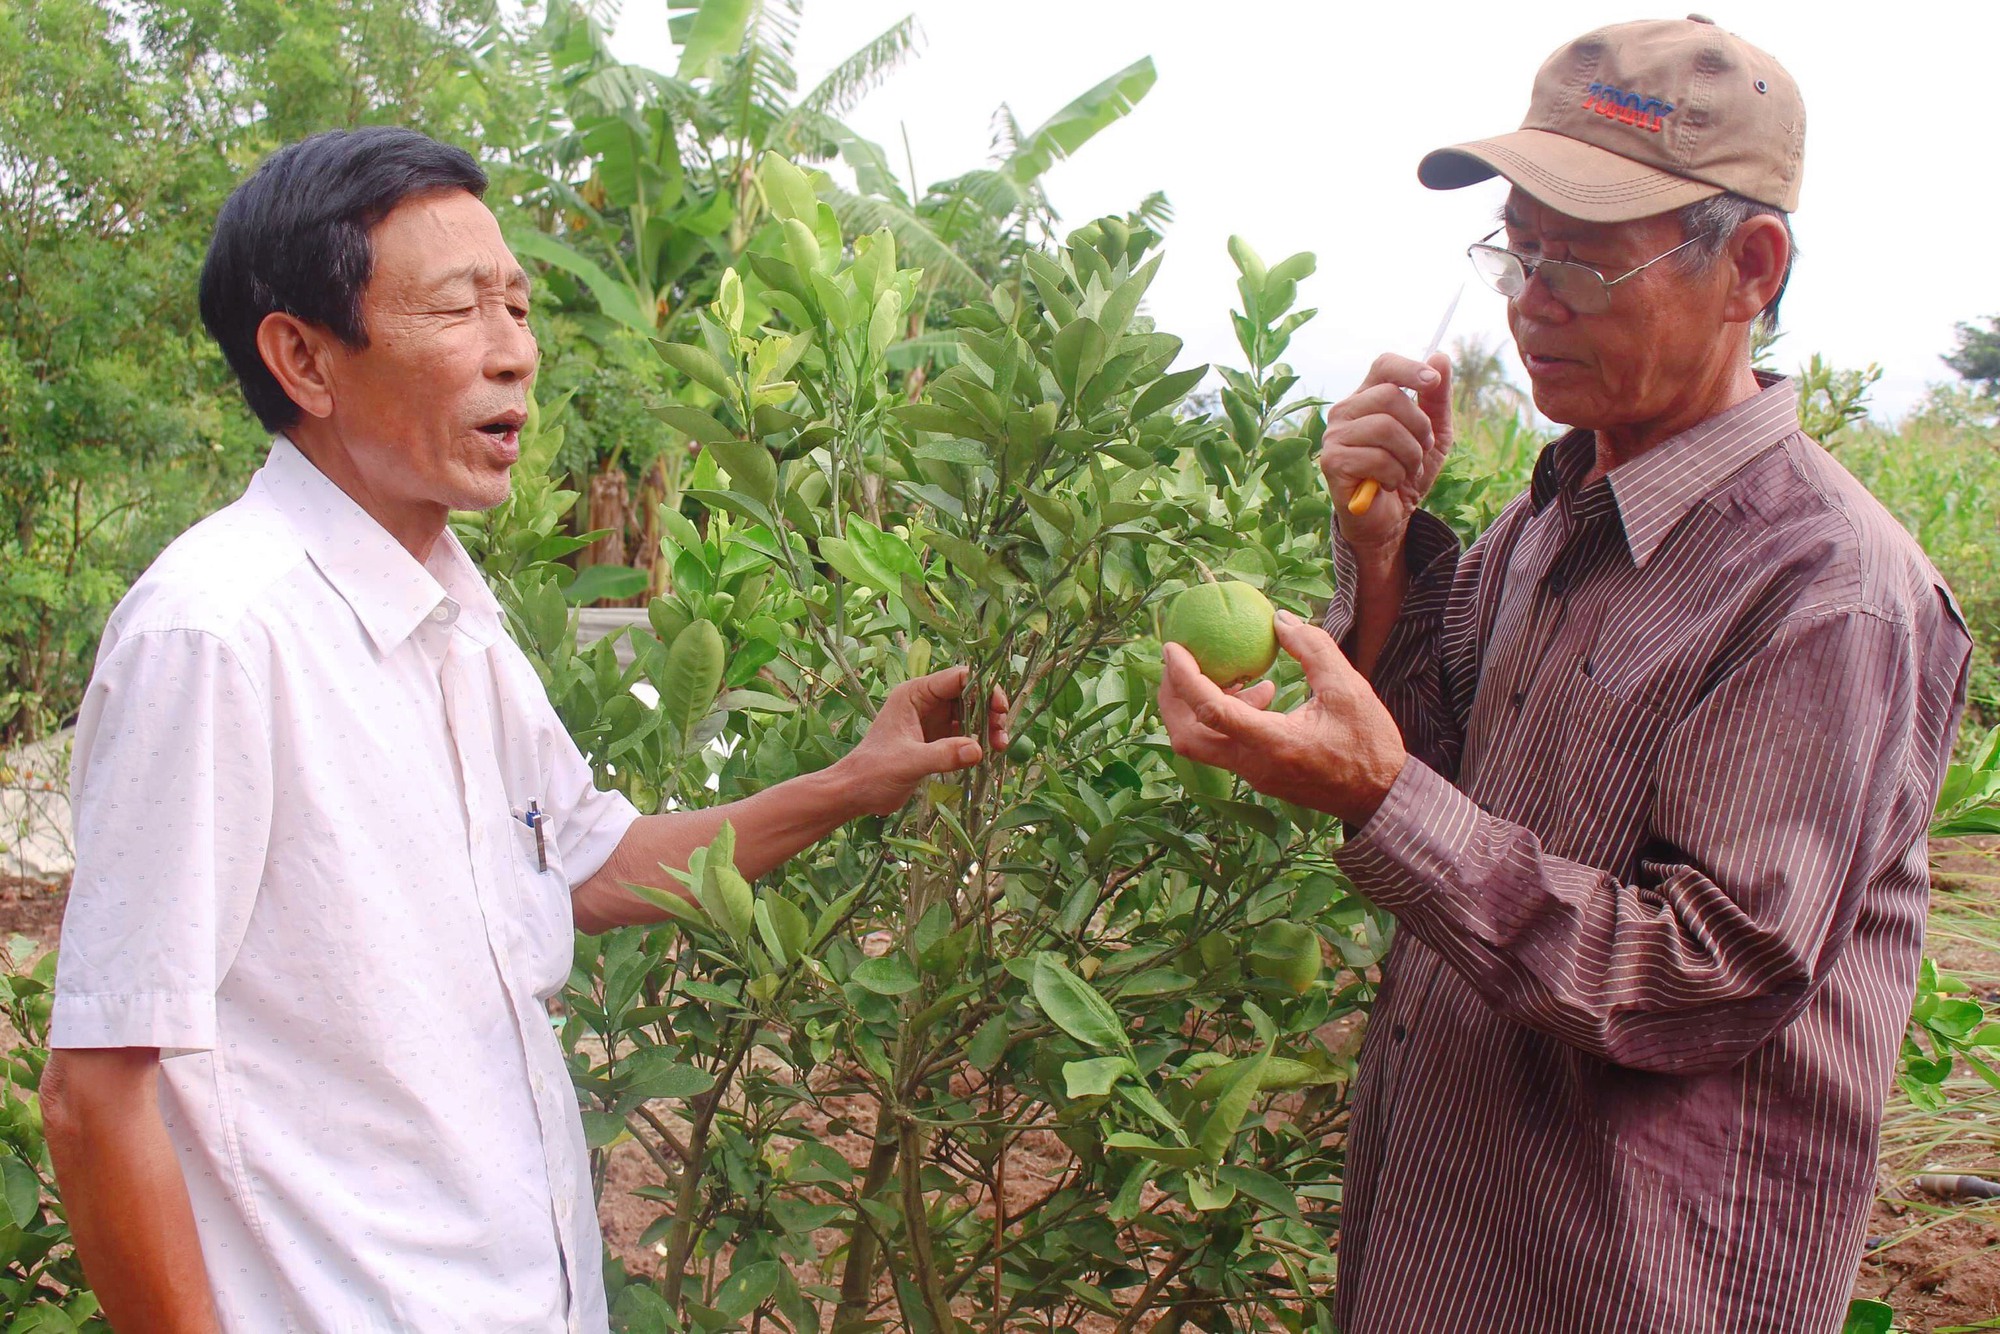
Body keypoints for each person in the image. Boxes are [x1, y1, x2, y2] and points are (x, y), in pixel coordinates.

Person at [41, 126, 1009, 1333]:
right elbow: (97, 1092)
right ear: (303, 356)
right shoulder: (217, 636)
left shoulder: (455, 608)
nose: (515, 354)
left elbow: (587, 863)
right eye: (460, 310)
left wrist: (852, 783)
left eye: (517, 304)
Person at [1157, 16, 1970, 1332]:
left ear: (1747, 267)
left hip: (1627, 1282)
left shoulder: (1833, 593)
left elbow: (1701, 973)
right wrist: (1377, 557)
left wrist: (1376, 797)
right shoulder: (1551, 517)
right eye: (1518, 250)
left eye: (1584, 261)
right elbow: (1433, 757)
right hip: (1453, 1241)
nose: (1532, 300)